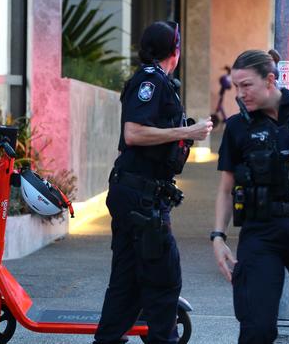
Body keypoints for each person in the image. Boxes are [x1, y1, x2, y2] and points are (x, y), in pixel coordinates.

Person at [93, 21, 213, 344]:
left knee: (128, 280)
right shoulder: (150, 81)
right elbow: (133, 133)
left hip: (141, 193)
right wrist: (187, 132)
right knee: (163, 280)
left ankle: (107, 339)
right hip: (139, 197)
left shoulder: (160, 82)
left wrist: (185, 132)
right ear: (174, 51)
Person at [212, 49, 289, 343]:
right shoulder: (237, 127)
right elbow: (226, 190)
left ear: (270, 80)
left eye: (247, 85)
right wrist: (218, 236)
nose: (241, 94)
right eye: (236, 86)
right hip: (262, 234)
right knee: (256, 329)